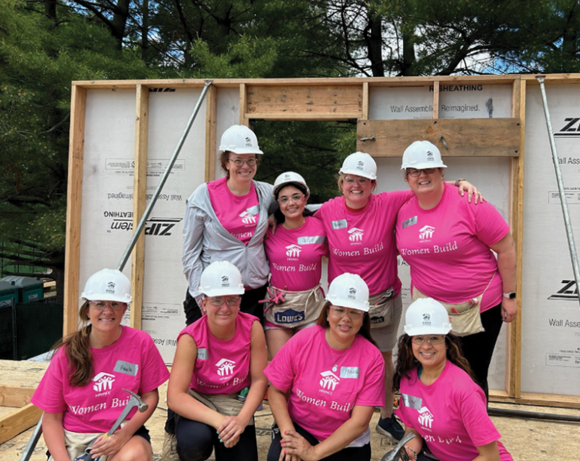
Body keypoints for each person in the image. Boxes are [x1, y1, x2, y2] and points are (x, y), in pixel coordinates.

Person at [314, 151, 481, 440]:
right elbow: (295, 214)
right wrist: (277, 218)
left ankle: (386, 417)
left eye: (363, 180)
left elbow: (426, 186)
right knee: (338, 358)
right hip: (344, 305)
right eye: (350, 180)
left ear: (373, 184)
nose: (356, 186)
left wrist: (459, 182)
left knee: (382, 357)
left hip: (382, 300)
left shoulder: (388, 203)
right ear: (341, 183)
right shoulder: (328, 210)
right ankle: (337, 414)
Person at [396, 140, 517, 399]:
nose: (422, 176)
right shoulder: (402, 209)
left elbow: (506, 248)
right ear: (406, 178)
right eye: (415, 171)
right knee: (431, 373)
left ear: (441, 172)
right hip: (430, 309)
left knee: (472, 376)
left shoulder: (470, 202)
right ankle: (437, 433)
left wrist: (510, 297)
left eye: (429, 169)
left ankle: (473, 437)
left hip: (480, 306)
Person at [31, 269, 169, 461]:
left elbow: (149, 396)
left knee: (136, 455)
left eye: (114, 304)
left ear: (124, 308)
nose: (107, 311)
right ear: (87, 309)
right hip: (74, 439)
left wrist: (124, 434)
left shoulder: (140, 343)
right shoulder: (67, 355)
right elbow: (51, 418)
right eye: (100, 304)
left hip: (121, 431)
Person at [265, 273, 385, 461]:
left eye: (354, 312)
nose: (346, 318)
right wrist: (289, 437)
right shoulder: (303, 340)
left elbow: (359, 422)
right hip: (301, 430)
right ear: (327, 312)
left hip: (347, 443)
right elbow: (276, 391)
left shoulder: (372, 358)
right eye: (339, 310)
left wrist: (314, 453)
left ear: (363, 318)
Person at [167, 261, 268, 461]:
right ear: (203, 303)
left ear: (240, 301)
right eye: (217, 300)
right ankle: (180, 436)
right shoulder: (191, 337)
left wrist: (241, 420)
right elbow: (175, 396)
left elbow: (259, 380)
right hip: (199, 399)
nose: (225, 308)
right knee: (193, 444)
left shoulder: (252, 328)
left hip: (235, 401)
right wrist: (220, 422)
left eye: (231, 300)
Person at [392, 298, 513, 461]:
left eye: (434, 338)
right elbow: (413, 431)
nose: (426, 346)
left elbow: (490, 456)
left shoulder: (463, 389)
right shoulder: (408, 380)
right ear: (410, 341)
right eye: (419, 337)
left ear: (447, 342)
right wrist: (406, 455)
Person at [182, 124, 275, 325]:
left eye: (251, 160)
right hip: (214, 294)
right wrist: (202, 298)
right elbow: (190, 253)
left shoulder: (266, 193)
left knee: (246, 354)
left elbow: (297, 203)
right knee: (205, 355)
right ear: (226, 162)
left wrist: (276, 215)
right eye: (238, 160)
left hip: (253, 295)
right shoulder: (204, 195)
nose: (245, 166)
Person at [263, 171, 328, 357]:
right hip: (279, 307)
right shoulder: (268, 229)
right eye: (284, 199)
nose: (290, 203)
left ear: (305, 198)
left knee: (307, 365)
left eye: (296, 197)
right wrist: (271, 216)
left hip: (311, 307)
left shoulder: (320, 226)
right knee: (281, 368)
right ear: (278, 204)